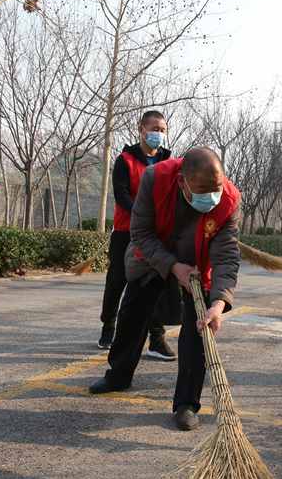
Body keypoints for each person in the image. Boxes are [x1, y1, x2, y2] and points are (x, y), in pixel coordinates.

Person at [88, 147, 241, 431]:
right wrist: (172, 266)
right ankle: (118, 375)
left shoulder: (229, 199)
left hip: (197, 263)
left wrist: (219, 303)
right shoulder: (155, 178)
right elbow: (141, 233)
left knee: (198, 328)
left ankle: (186, 403)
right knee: (133, 313)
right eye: (202, 191)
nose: (211, 197)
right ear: (182, 181)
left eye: (216, 189)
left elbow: (227, 256)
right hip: (153, 255)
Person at [97, 110, 176, 361]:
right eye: (154, 129)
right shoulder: (125, 160)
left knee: (155, 284)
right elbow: (121, 195)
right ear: (141, 129)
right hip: (126, 231)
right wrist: (143, 216)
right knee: (117, 281)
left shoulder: (169, 163)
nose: (158, 134)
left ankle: (156, 338)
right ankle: (108, 326)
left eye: (162, 130)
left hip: (155, 236)